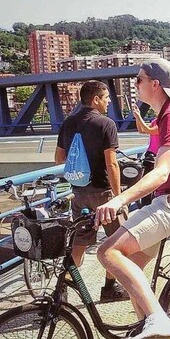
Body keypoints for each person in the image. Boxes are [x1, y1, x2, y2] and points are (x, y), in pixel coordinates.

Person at [94, 58, 170, 339]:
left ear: (155, 84)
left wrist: (119, 199)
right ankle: (149, 334)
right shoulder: (169, 114)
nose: (136, 83)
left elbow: (161, 172)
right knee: (134, 268)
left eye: (139, 78)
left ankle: (159, 321)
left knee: (107, 251)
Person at [56, 80, 125, 303]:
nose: (108, 102)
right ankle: (109, 289)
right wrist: (118, 196)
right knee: (117, 242)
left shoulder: (68, 123)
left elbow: (59, 159)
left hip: (79, 194)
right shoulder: (106, 124)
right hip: (103, 193)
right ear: (95, 99)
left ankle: (62, 291)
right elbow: (112, 164)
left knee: (80, 244)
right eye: (106, 98)